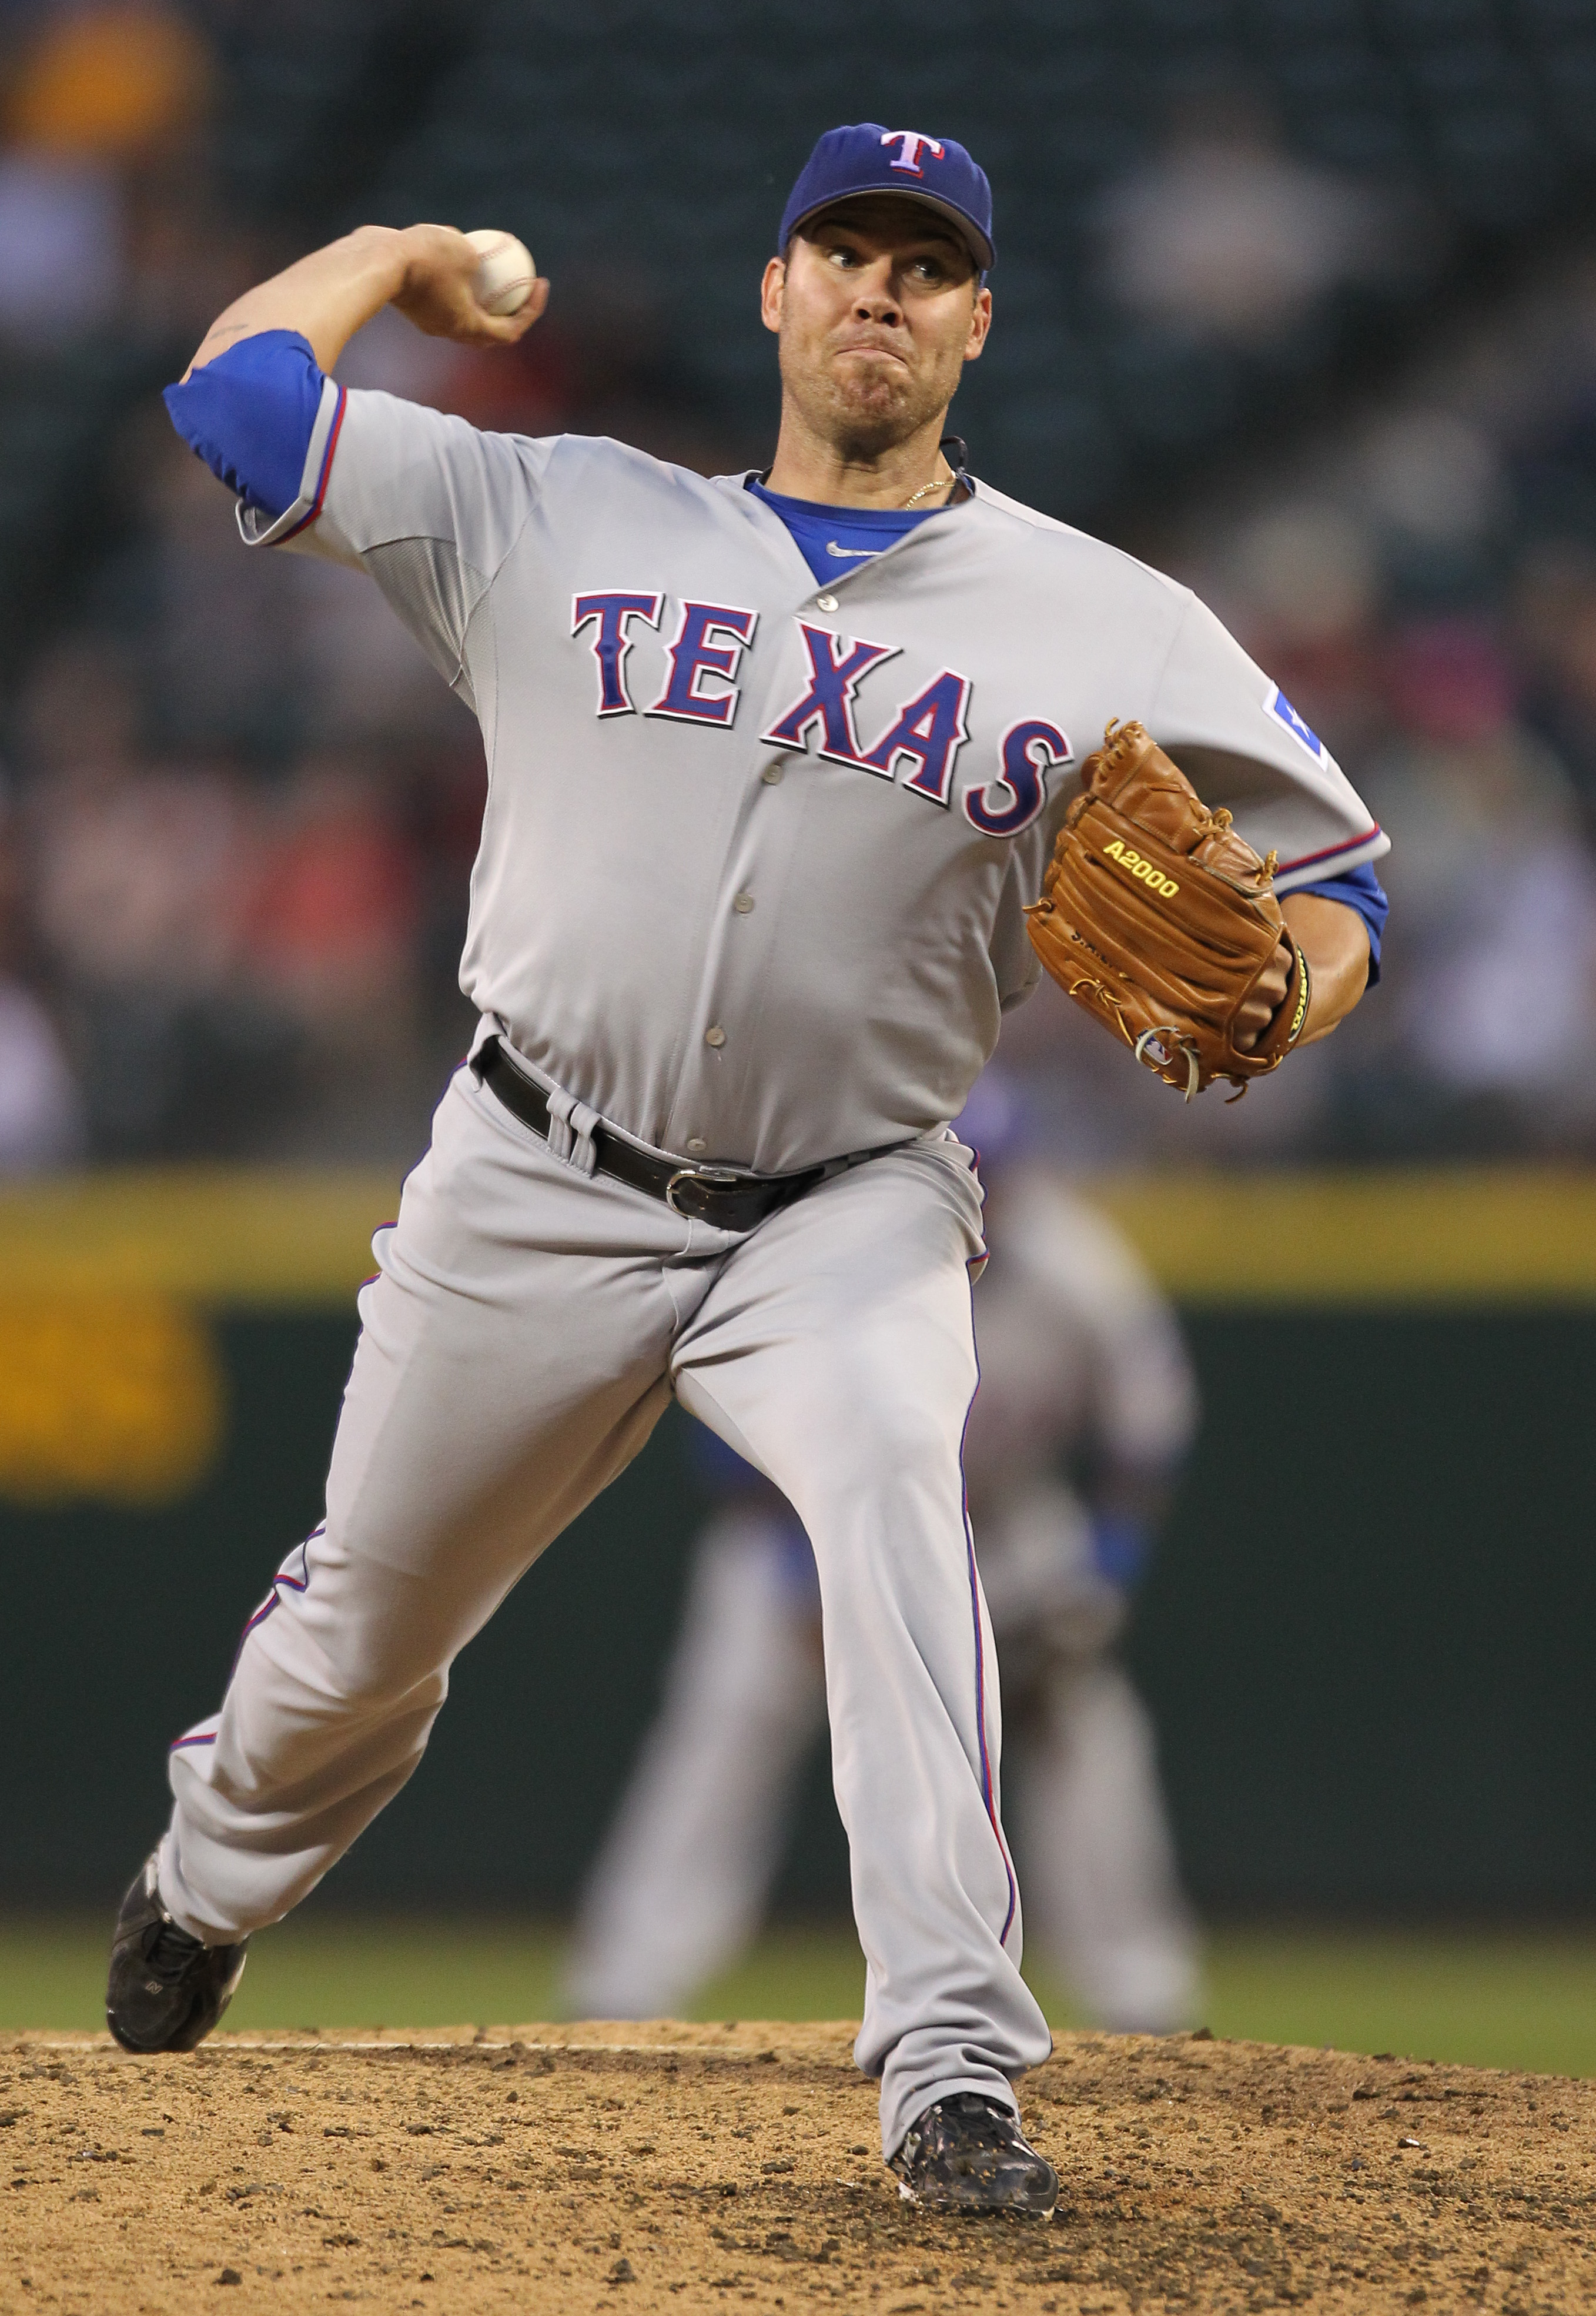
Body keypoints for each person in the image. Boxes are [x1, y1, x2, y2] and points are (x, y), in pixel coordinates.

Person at [103, 122, 1387, 2217]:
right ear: (774, 292)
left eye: (924, 264)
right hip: (533, 1170)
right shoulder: (557, 510)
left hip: (849, 1202)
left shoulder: (1104, 618)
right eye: (842, 251)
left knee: (899, 1506)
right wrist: (400, 250)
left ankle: (951, 2072)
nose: (879, 289)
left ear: (974, 320)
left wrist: (1295, 998)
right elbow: (238, 400)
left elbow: (1337, 892)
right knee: (362, 1637)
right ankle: (208, 1879)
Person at [566, 1073, 1203, 2034]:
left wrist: (1100, 1580)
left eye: (996, 1173)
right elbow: (716, 1414)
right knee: (730, 1725)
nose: (980, 1189)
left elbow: (1148, 1430)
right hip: (797, 1516)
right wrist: (798, 1573)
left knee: (1084, 1730)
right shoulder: (834, 1243)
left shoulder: (1080, 1270)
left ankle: (1141, 1990)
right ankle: (627, 1982)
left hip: (1002, 1529)